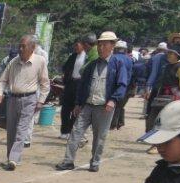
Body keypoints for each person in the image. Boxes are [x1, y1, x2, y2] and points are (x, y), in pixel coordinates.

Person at [55, 31, 130, 173]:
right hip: (87, 105)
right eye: (100, 44)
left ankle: (95, 162)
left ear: (112, 46)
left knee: (99, 137)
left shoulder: (118, 64)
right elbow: (83, 85)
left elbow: (122, 85)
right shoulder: (92, 65)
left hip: (104, 107)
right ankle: (68, 161)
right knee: (76, 132)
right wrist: (78, 104)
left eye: (104, 44)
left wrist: (113, 100)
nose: (101, 47)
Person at [0, 34, 50, 170]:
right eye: (19, 46)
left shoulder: (40, 62)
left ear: (32, 48)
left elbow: (45, 84)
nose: (20, 49)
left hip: (30, 99)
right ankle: (12, 158)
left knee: (21, 130)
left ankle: (13, 160)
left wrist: (41, 101)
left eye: (23, 46)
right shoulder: (13, 62)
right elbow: (2, 80)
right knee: (11, 130)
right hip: (12, 99)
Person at [146, 46, 180, 134]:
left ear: (177, 55)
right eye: (168, 53)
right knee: (153, 115)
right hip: (161, 94)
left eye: (171, 53)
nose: (168, 55)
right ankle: (150, 134)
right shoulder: (167, 66)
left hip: (173, 96)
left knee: (168, 117)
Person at [60, 38, 89, 139]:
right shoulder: (73, 56)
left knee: (76, 108)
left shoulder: (87, 57)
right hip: (70, 83)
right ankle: (64, 131)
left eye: (77, 45)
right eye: (75, 45)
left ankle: (72, 130)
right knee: (65, 108)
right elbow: (64, 67)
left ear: (83, 45)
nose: (75, 47)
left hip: (80, 84)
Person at [110, 40, 134, 130]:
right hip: (126, 85)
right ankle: (120, 122)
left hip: (114, 84)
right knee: (120, 105)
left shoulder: (113, 58)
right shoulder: (130, 59)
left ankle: (113, 123)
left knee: (114, 104)